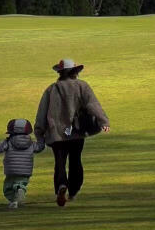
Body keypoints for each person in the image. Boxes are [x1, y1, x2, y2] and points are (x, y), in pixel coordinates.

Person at [34, 58, 110, 207]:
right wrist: (104, 122)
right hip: (76, 132)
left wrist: (39, 132)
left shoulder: (52, 89)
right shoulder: (82, 86)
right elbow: (93, 105)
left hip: (56, 133)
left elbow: (41, 112)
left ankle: (61, 185)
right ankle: (73, 191)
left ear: (60, 73)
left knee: (60, 163)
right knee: (76, 161)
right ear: (76, 72)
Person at [0, 118, 45, 209]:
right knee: (21, 183)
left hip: (11, 170)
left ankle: (13, 201)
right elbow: (40, 147)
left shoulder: (8, 142)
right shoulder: (31, 144)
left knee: (8, 188)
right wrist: (41, 137)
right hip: (25, 170)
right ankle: (20, 189)